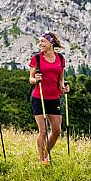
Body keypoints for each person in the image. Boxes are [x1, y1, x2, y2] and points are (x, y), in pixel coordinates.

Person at [29, 31, 69, 165]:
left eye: (42, 41)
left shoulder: (60, 58)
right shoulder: (37, 58)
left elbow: (61, 78)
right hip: (39, 97)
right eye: (39, 41)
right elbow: (31, 79)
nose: (40, 44)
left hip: (54, 97)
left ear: (51, 43)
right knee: (43, 130)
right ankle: (42, 159)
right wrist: (36, 79)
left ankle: (46, 152)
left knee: (57, 130)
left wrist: (63, 87)